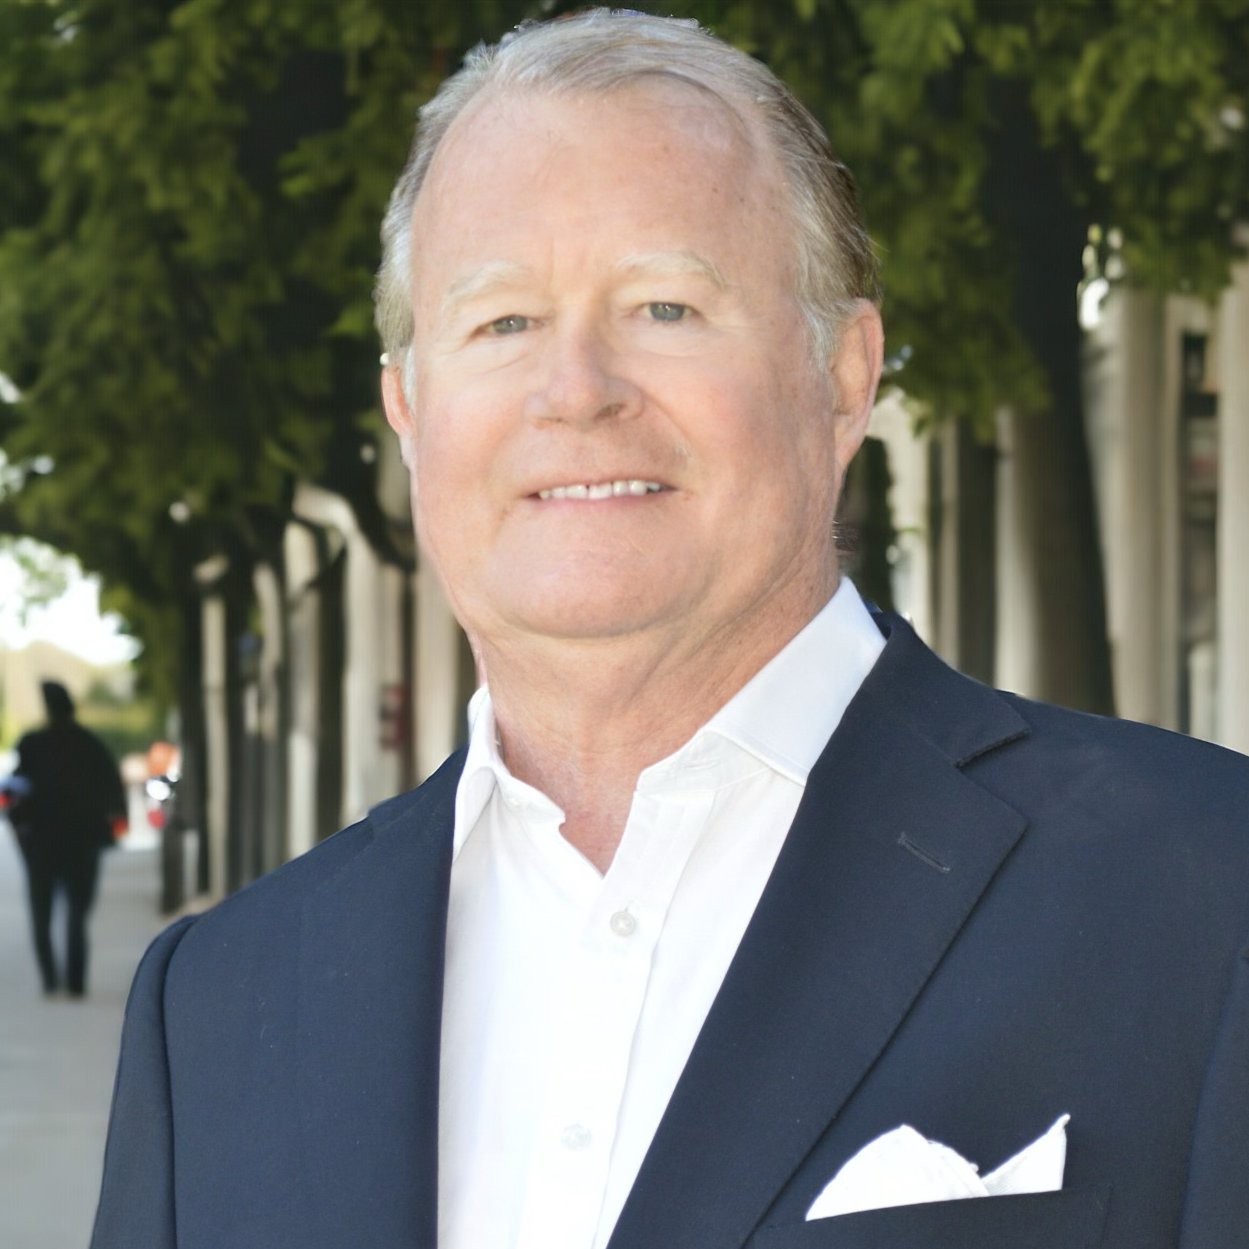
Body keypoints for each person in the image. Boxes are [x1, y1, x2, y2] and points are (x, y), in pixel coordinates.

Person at [91, 11, 1249, 1249]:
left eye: (665, 306)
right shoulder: (212, 1009)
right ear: (409, 410)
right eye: (502, 322)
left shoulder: (1204, 896)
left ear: (843, 375)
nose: (575, 389)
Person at [10, 680, 125, 997]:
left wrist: (20, 826)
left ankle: (50, 980)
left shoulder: (32, 744)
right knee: (77, 913)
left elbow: (15, 791)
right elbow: (113, 790)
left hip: (40, 844)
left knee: (41, 914)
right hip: (82, 843)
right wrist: (111, 830)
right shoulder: (90, 745)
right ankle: (75, 982)